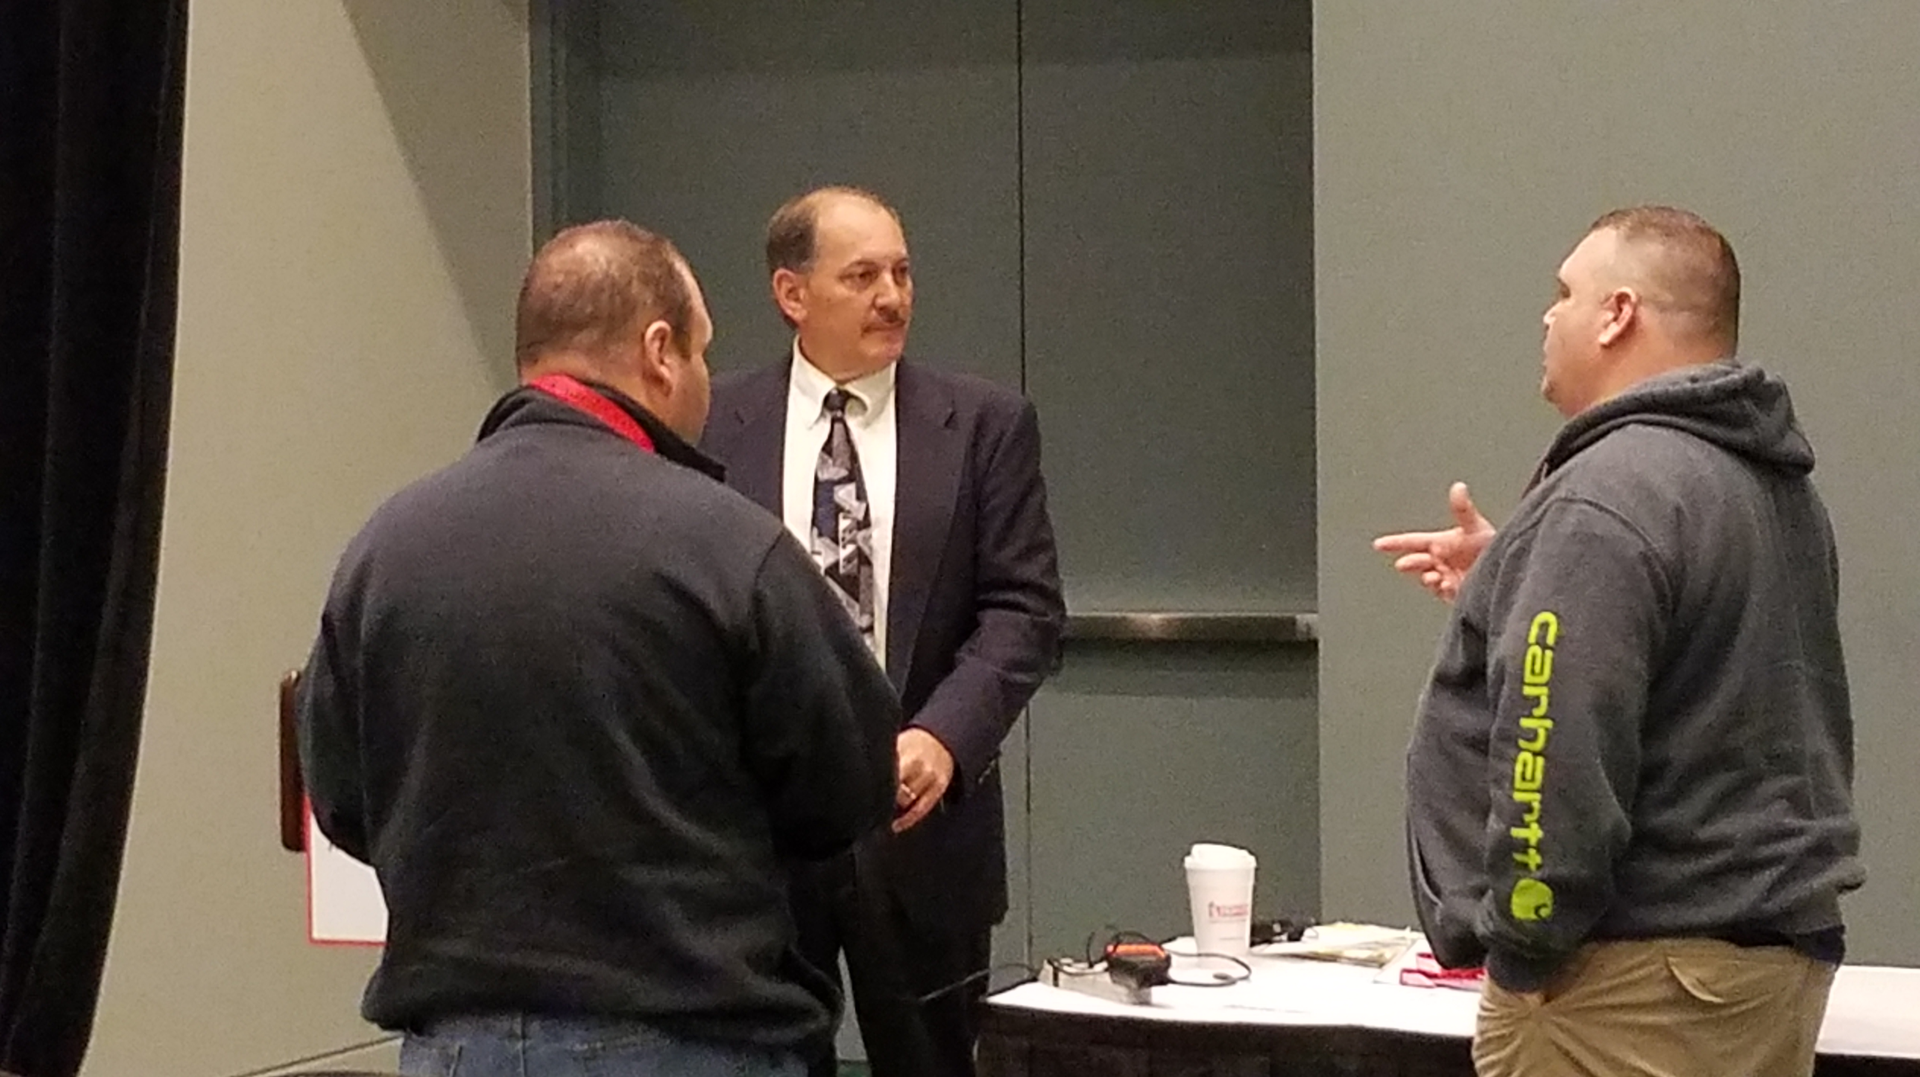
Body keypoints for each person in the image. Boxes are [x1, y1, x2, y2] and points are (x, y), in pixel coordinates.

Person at [295, 220, 900, 1077]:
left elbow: (339, 796)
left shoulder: (383, 548)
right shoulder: (730, 546)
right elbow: (849, 785)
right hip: (691, 1040)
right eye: (701, 353)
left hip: (454, 1049)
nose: (707, 382)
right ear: (659, 352)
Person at [1382, 206, 1863, 1077]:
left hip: (1626, 990)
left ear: (1617, 314)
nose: (1548, 314)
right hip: (1761, 966)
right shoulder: (1771, 488)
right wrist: (1519, 573)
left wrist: (1524, 943)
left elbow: (1556, 747)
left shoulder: (1606, 499)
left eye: (1565, 292)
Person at [699, 186, 1066, 1077]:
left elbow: (1024, 608)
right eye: (861, 277)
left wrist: (946, 736)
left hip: (924, 830)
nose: (892, 297)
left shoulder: (984, 425)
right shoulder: (712, 424)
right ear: (792, 293)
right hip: (759, 834)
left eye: (901, 273)